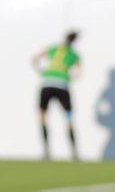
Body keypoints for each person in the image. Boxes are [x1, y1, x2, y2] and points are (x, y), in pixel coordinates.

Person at [33, 31, 82, 161]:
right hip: (62, 86)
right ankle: (74, 153)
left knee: (43, 117)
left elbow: (34, 59)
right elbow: (78, 72)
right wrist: (70, 78)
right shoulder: (74, 55)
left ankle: (46, 151)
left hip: (47, 84)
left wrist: (42, 72)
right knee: (68, 118)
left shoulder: (54, 49)